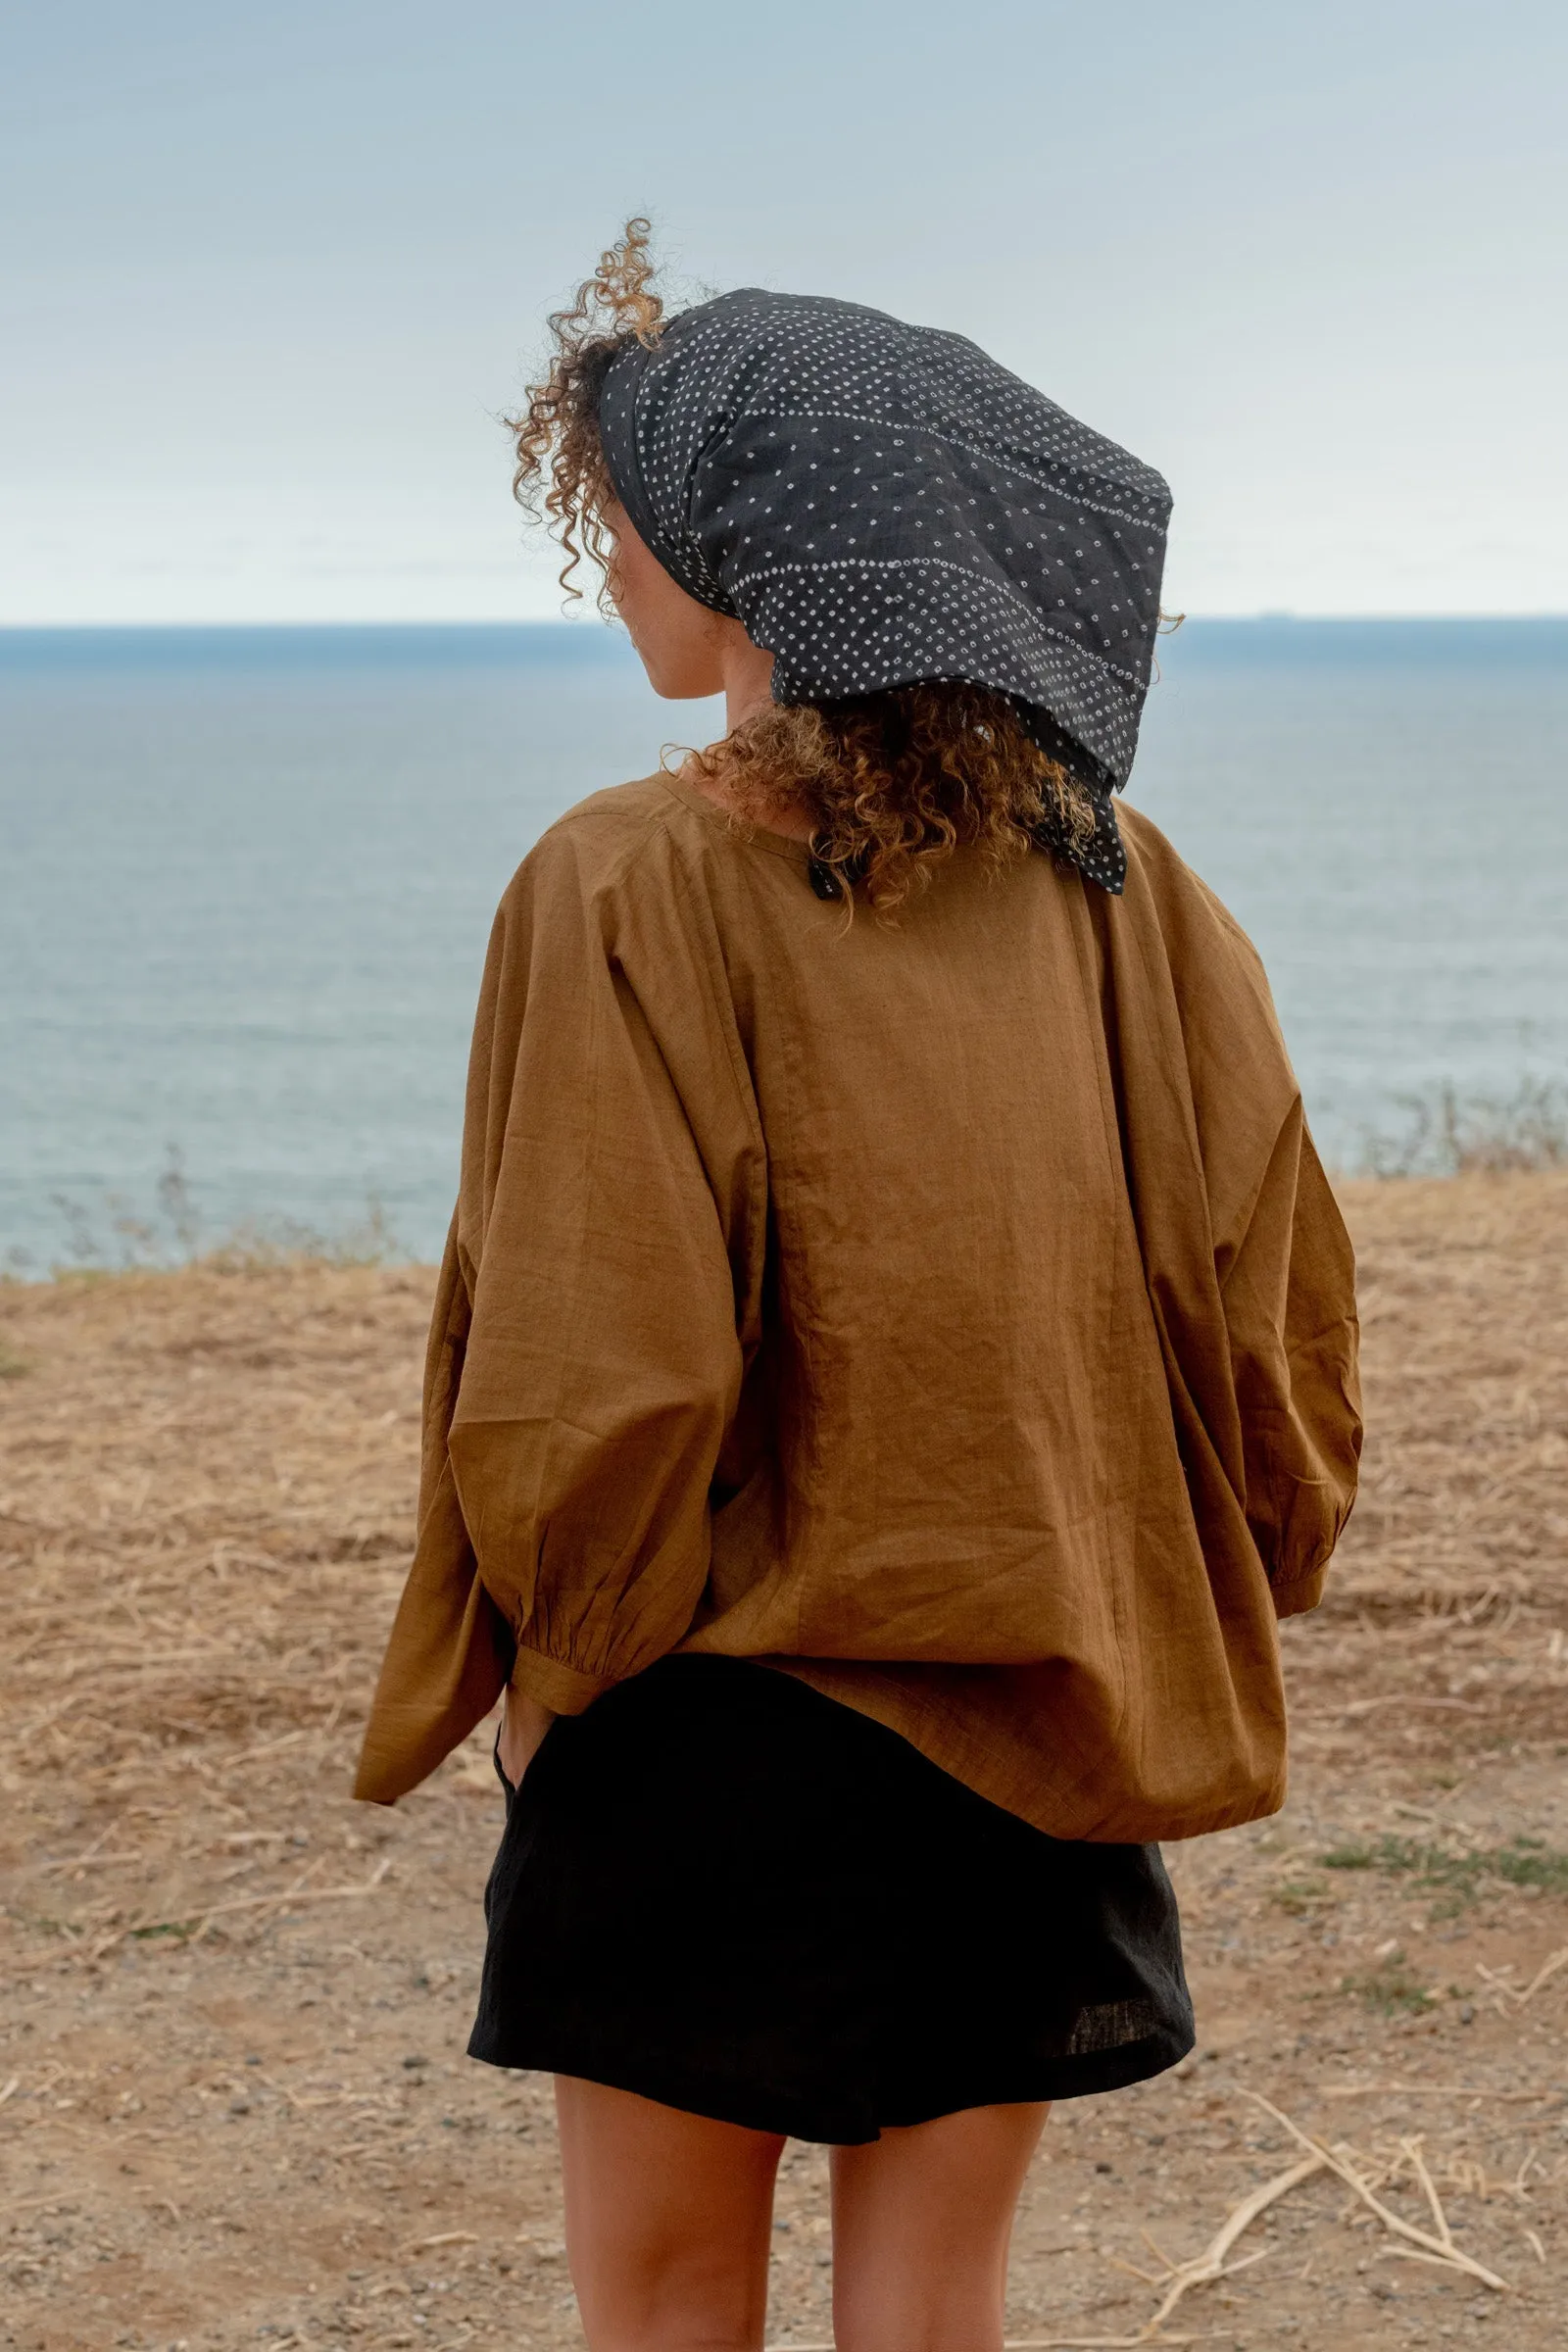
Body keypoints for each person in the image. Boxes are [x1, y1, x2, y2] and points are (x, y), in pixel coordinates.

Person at [355, 221, 1361, 2352]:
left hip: (702, 1724)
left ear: (747, 539)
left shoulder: (622, 880)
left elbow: (593, 1359)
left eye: (626, 507)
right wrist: (1210, 1567)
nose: (604, 553)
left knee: (662, 2315)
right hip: (1035, 1708)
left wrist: (549, 1676)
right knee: (933, 2313)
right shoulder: (1125, 882)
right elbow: (1267, 1299)